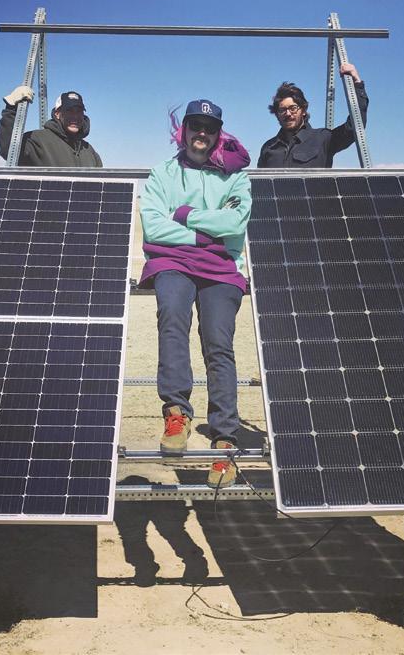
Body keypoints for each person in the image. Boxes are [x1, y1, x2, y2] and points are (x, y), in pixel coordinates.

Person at [138, 99, 252, 489]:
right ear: (183, 130)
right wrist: (207, 235)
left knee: (218, 343)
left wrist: (185, 215)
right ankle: (177, 412)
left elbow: (235, 223)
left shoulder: (235, 177)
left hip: (221, 267)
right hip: (172, 262)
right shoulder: (162, 173)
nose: (202, 133)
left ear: (218, 133)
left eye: (210, 127)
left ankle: (224, 443)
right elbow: (153, 227)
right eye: (195, 125)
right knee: (172, 318)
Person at [257, 63, 368, 168]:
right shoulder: (268, 148)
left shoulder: (323, 139)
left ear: (303, 110)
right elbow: (260, 181)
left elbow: (355, 127)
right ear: (277, 114)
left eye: (293, 108)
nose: (288, 113)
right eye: (282, 110)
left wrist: (357, 83)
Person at [0, 86, 103, 167]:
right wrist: (11, 108)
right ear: (57, 114)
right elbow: (9, 150)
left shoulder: (89, 151)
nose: (75, 116)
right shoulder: (37, 140)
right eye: (69, 111)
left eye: (79, 111)